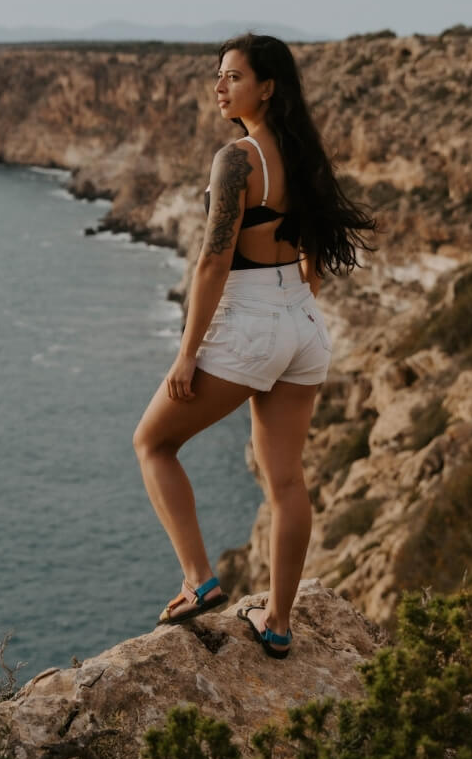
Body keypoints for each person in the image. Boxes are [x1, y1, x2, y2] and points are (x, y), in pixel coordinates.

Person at [133, 33, 374, 660]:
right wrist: (293, 308)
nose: (220, 86)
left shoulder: (237, 158)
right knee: (286, 481)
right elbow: (315, 255)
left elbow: (213, 264)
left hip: (249, 319)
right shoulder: (304, 154)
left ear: (267, 86)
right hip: (302, 321)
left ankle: (197, 580)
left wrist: (188, 352)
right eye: (218, 76)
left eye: (233, 76)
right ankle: (279, 623)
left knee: (153, 443)